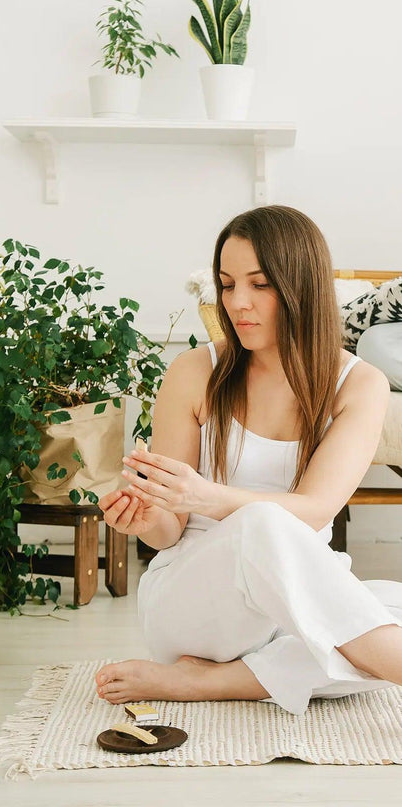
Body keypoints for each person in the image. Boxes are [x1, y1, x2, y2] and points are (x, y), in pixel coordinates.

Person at [95, 205, 402, 716]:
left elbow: (317, 510)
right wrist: (148, 520)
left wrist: (203, 495)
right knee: (266, 523)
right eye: (227, 284)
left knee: (389, 607)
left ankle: (210, 681)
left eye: (259, 284)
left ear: (302, 286)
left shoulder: (360, 384)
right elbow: (169, 533)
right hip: (194, 606)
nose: (238, 302)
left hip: (291, 606)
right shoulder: (195, 371)